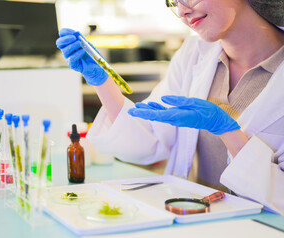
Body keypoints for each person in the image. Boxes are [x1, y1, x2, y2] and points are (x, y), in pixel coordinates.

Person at [56, 0, 284, 215]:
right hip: (193, 218)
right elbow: (150, 137)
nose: (182, 11)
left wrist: (228, 131)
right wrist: (102, 82)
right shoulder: (194, 54)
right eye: (173, 1)